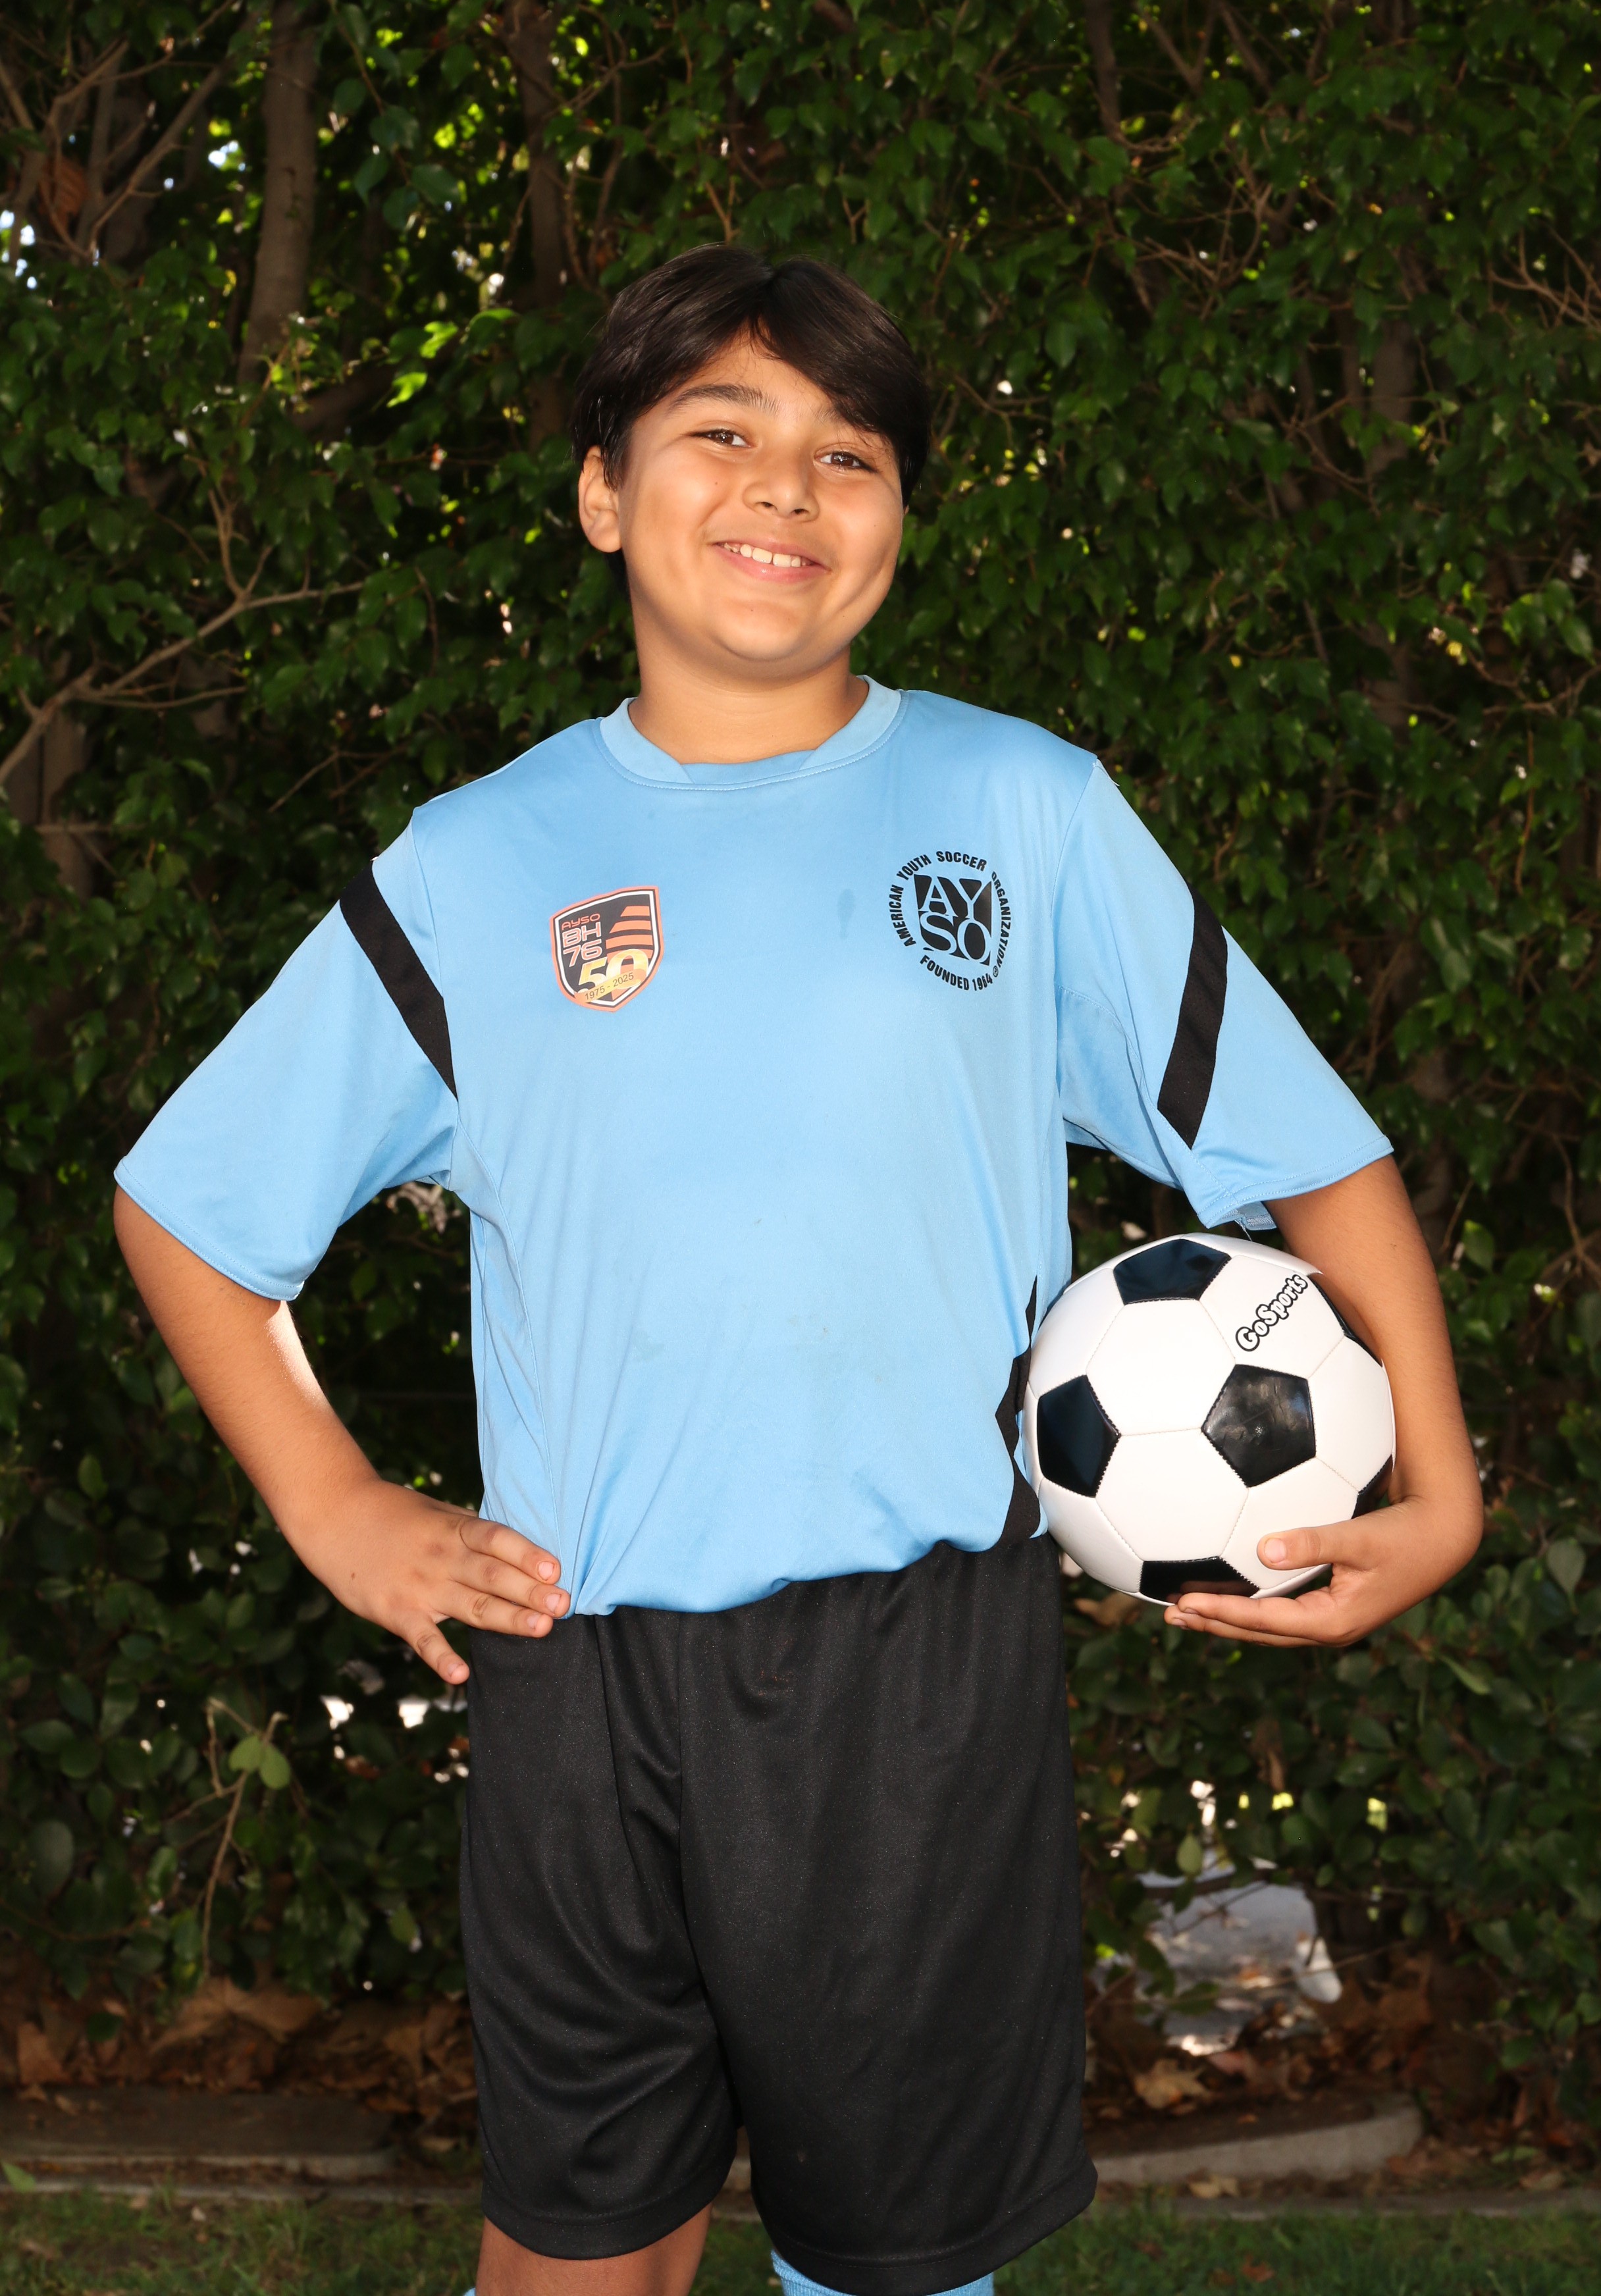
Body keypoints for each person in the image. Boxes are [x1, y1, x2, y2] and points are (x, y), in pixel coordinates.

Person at [114, 247, 1483, 2296]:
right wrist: (337, 1507)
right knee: (576, 2252)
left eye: (850, 452)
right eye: (721, 432)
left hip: (916, 1671)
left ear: (900, 517)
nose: (788, 486)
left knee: (899, 2265)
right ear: (603, 493)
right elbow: (193, 1210)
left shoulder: (1021, 810)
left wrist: (1439, 1493)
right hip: (578, 1665)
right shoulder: (480, 865)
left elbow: (1316, 1157)